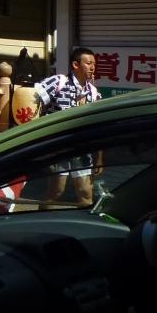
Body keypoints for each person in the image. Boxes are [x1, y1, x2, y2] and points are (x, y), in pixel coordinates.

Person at [33, 46, 101, 206]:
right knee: (56, 191)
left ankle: (84, 222)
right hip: (58, 148)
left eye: (94, 64)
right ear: (75, 65)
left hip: (82, 150)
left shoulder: (93, 92)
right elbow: (31, 98)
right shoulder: (59, 82)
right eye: (88, 63)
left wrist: (99, 156)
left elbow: (96, 126)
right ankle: (40, 217)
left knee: (85, 192)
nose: (92, 67)